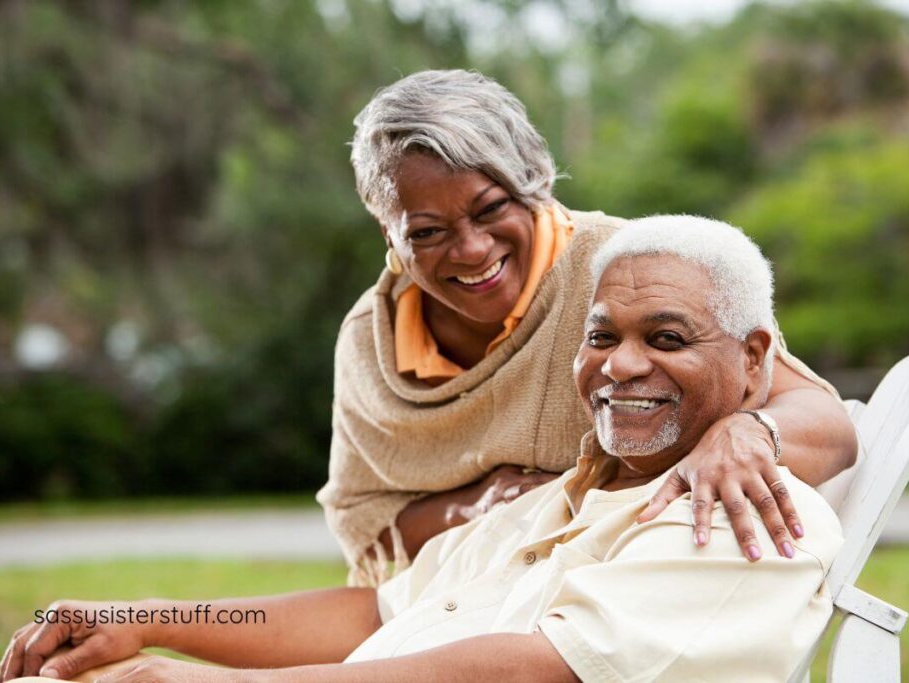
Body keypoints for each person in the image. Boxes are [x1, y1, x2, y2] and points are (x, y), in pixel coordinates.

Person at [0, 216, 842, 683]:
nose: (621, 365)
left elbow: (530, 672)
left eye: (666, 336)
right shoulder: (557, 496)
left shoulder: (742, 512)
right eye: (600, 335)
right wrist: (147, 621)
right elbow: (373, 614)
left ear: (756, 360)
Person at [319, 68, 856, 584]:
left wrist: (747, 431)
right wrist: (480, 508)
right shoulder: (372, 338)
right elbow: (364, 515)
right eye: (428, 232)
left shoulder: (629, 270)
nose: (472, 249)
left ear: (534, 184)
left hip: (623, 583)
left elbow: (825, 424)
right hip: (458, 598)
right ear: (388, 232)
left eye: (490, 209)